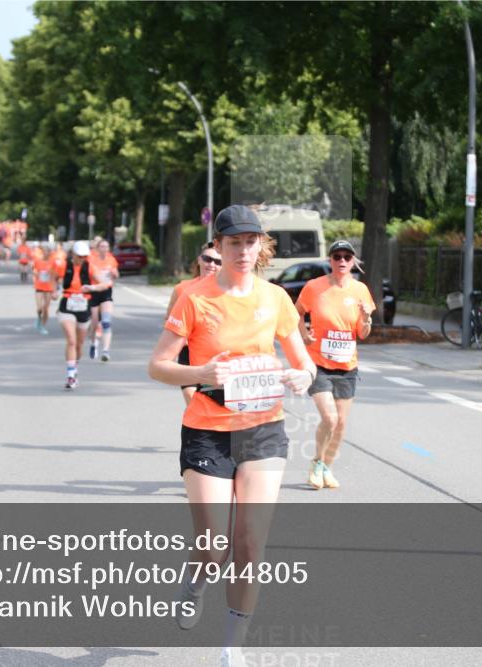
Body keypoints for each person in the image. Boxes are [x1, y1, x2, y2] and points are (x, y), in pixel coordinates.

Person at [147, 205, 316, 666]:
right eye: (234, 242)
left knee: (250, 543)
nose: (244, 250)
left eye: (251, 241)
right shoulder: (193, 297)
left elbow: (304, 360)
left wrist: (303, 376)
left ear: (262, 246)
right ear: (217, 246)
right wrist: (201, 371)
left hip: (263, 429)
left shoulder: (276, 298)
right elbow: (158, 365)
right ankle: (198, 579)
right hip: (207, 431)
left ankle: (230, 648)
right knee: (214, 544)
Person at [295, 239, 376, 490]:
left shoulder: (361, 290)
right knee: (329, 418)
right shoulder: (314, 287)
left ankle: (325, 467)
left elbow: (363, 333)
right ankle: (317, 464)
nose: (341, 261)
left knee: (340, 423)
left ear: (353, 262)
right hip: (318, 363)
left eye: (346, 257)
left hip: (347, 367)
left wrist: (365, 317)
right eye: (337, 257)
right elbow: (296, 312)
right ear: (330, 260)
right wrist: (303, 333)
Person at [165, 242, 222, 405]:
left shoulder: (226, 290)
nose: (211, 264)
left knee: (212, 404)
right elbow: (169, 319)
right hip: (188, 352)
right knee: (192, 399)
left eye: (218, 262)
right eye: (207, 259)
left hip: (214, 353)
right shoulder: (182, 289)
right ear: (199, 260)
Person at [57, 240, 112, 390]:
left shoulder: (90, 267)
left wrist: (92, 287)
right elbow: (52, 276)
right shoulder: (63, 265)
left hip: (83, 307)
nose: (82, 259)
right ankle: (70, 375)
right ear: (73, 254)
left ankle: (74, 367)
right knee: (72, 340)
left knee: (79, 344)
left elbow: (105, 283)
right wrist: (54, 289)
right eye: (79, 256)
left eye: (84, 256)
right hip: (67, 306)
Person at [87, 238, 120, 361]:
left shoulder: (111, 259)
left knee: (106, 322)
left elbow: (116, 273)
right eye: (102, 247)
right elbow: (94, 275)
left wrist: (114, 274)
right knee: (95, 322)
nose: (104, 249)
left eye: (106, 247)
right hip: (94, 292)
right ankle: (93, 343)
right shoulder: (92, 260)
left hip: (106, 293)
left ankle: (105, 351)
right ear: (98, 248)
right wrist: (104, 282)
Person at [32, 244, 57, 334]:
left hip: (49, 288)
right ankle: (39, 318)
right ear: (43, 252)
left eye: (48, 252)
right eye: (45, 252)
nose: (46, 254)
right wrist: (35, 276)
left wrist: (55, 290)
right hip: (39, 286)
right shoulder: (37, 261)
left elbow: (54, 276)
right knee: (39, 308)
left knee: (46, 308)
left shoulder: (52, 262)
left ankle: (42, 325)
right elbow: (34, 271)